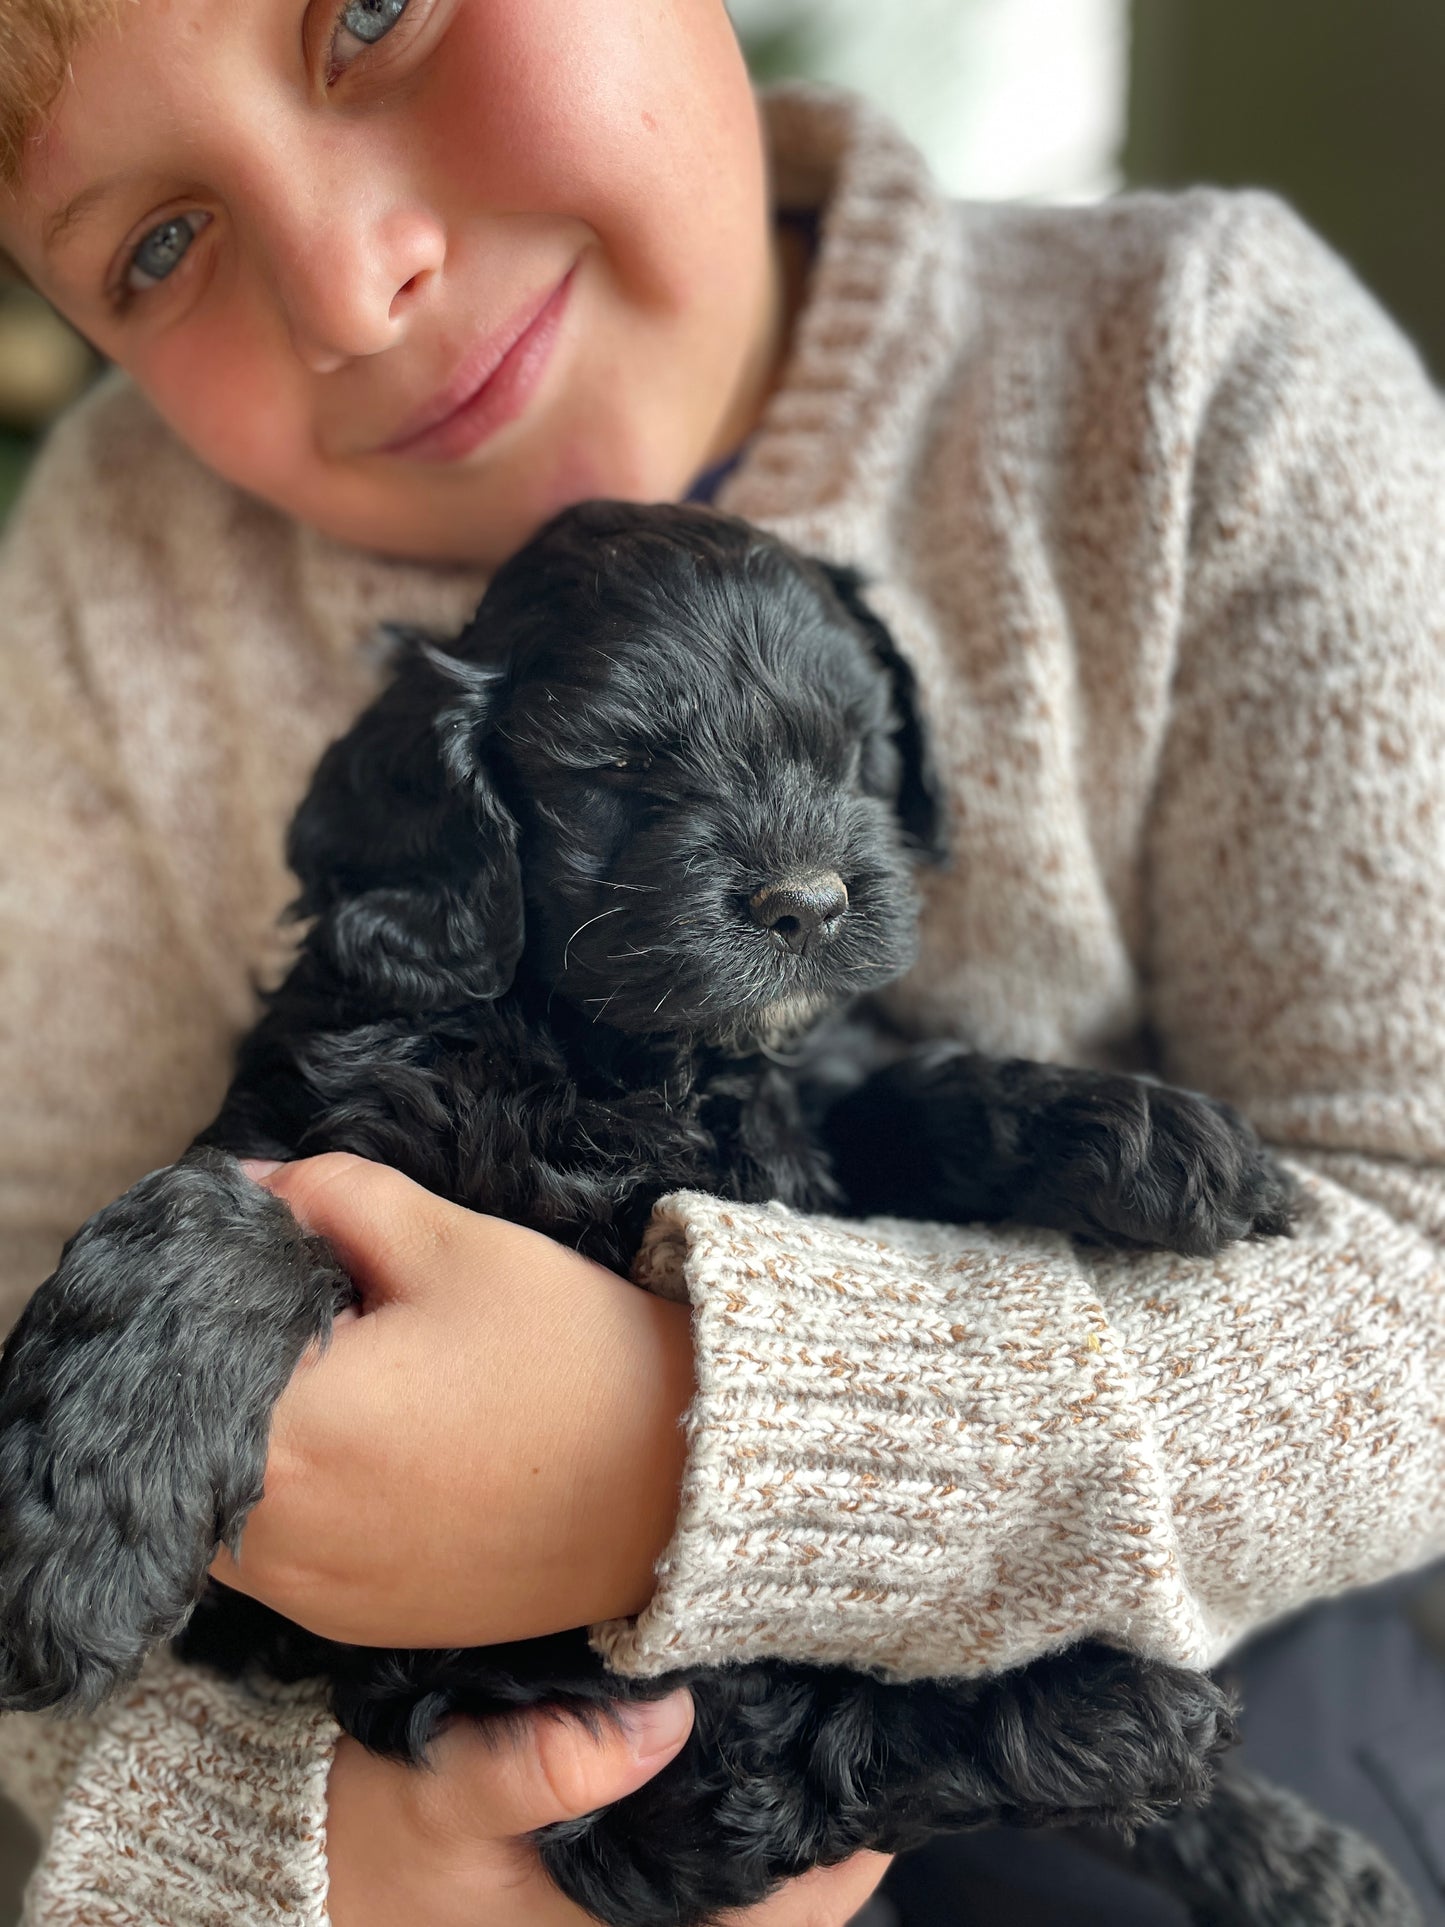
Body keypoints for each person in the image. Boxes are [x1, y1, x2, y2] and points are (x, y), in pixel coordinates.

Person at [1, 2, 1445, 1922]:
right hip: (420, 1767)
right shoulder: (109, 580)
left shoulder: (1197, 366)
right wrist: (295, 1855)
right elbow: (46, 1377)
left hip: (1203, 1604)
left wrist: (675, 1446)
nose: (356, 287)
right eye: (156, 244)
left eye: (370, 8)